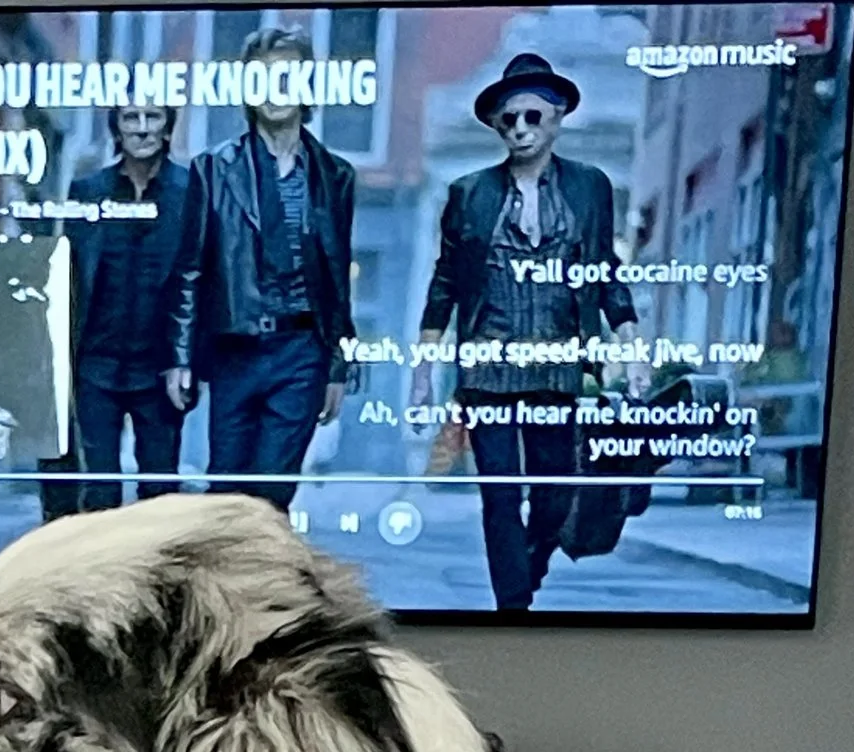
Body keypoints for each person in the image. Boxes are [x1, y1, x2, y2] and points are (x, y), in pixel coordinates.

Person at [411, 52, 647, 611]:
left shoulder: (591, 188)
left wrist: (633, 351)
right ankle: (511, 606)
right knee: (499, 495)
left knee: (554, 494)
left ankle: (529, 568)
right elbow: (444, 283)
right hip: (488, 365)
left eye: (531, 116)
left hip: (558, 361)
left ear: (558, 116)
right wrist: (423, 372)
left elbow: (606, 275)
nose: (520, 128)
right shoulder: (470, 193)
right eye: (508, 119)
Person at [172, 25, 358, 511]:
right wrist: (180, 357)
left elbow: (338, 278)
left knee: (273, 493)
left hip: (301, 349)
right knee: (226, 492)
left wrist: (337, 363)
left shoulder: (335, 175)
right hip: (237, 346)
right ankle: (227, 586)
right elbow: (190, 270)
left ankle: (262, 586)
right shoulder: (213, 168)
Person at [51, 104, 202, 513]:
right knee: (98, 491)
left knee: (159, 491)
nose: (141, 130)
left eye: (153, 118)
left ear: (168, 127)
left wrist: (187, 359)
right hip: (96, 364)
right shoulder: (88, 191)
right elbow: (67, 277)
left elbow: (200, 280)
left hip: (160, 369)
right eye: (130, 118)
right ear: (116, 127)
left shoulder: (193, 192)